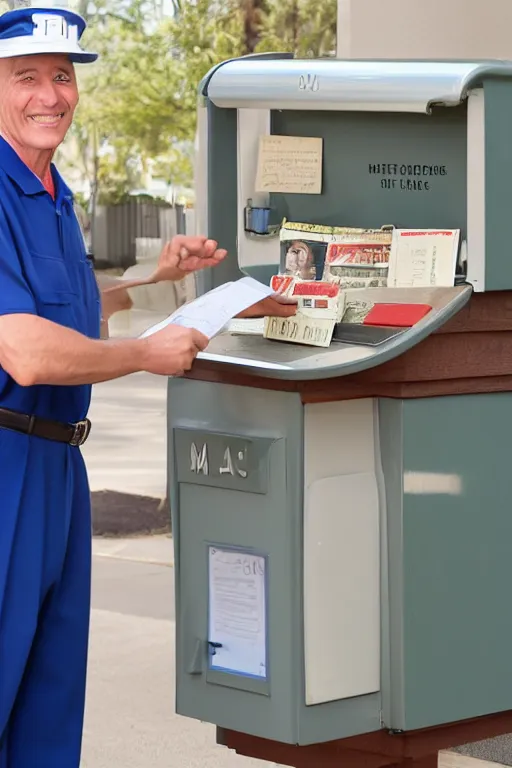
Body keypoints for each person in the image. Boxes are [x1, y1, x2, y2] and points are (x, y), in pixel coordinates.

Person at [0, 7, 295, 767]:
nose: (49, 95)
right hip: (5, 468)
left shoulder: (52, 191)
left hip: (58, 465)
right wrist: (143, 353)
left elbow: (69, 309)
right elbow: (25, 350)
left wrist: (158, 282)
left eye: (62, 77)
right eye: (25, 77)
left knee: (48, 696)